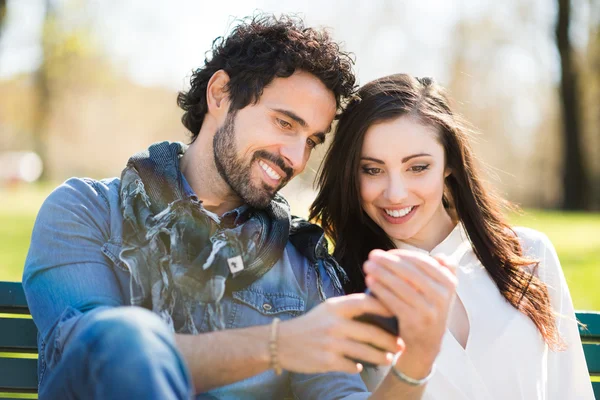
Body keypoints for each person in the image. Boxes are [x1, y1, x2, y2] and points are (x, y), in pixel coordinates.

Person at [23, 16, 451, 400]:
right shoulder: (87, 211)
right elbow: (90, 358)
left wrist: (415, 366)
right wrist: (280, 345)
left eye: (311, 141)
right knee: (123, 337)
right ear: (220, 93)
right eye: (285, 123)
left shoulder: (301, 263)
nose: (296, 158)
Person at [310, 73, 595, 399]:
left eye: (417, 167)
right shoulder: (339, 288)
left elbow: (571, 389)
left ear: (449, 164)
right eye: (372, 170)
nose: (396, 193)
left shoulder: (529, 254)